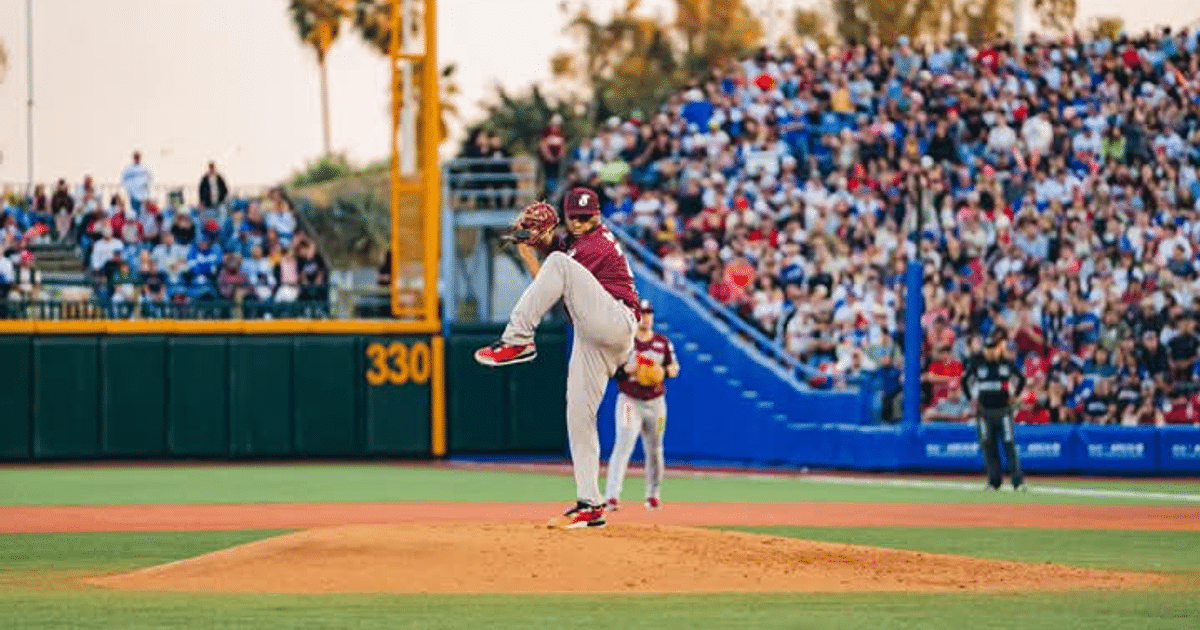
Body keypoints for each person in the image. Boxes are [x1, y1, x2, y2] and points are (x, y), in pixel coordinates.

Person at [475, 187, 640, 529]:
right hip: (594, 333)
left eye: (586, 217)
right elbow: (558, 255)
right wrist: (535, 241)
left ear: (597, 216)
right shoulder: (575, 243)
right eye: (574, 217)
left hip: (615, 320)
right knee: (578, 415)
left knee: (558, 265)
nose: (579, 223)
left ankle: (518, 340)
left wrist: (533, 252)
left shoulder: (595, 245)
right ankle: (590, 504)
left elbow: (557, 277)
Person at [604, 299, 679, 512]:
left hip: (656, 403)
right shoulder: (624, 343)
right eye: (642, 313)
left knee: (655, 449)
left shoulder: (662, 343)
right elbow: (611, 370)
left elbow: (674, 367)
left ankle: (653, 494)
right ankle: (612, 496)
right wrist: (626, 370)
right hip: (630, 400)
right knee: (623, 444)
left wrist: (664, 372)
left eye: (649, 313)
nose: (646, 317)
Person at [960, 328, 1027, 491]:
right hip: (984, 411)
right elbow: (964, 380)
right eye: (987, 349)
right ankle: (993, 481)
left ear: (998, 349)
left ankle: (1017, 482)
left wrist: (1015, 395)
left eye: (993, 349)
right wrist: (970, 398)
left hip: (1003, 410)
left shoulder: (1005, 362)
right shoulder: (977, 361)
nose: (990, 353)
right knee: (988, 446)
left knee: (1009, 444)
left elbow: (1021, 378)